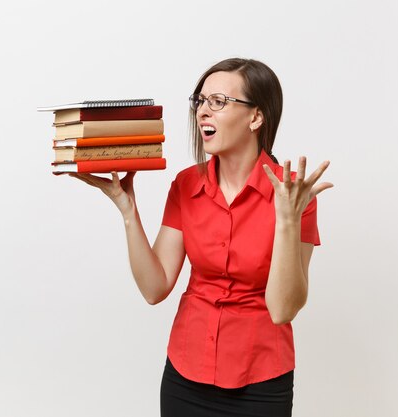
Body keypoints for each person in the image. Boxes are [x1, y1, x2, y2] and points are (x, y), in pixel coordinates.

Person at [64, 57, 333, 417]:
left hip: (261, 378)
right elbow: (154, 288)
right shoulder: (186, 184)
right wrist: (128, 210)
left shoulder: (294, 196)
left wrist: (287, 219)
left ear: (256, 117)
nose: (203, 112)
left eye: (218, 102)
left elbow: (284, 309)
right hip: (185, 374)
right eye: (200, 101)